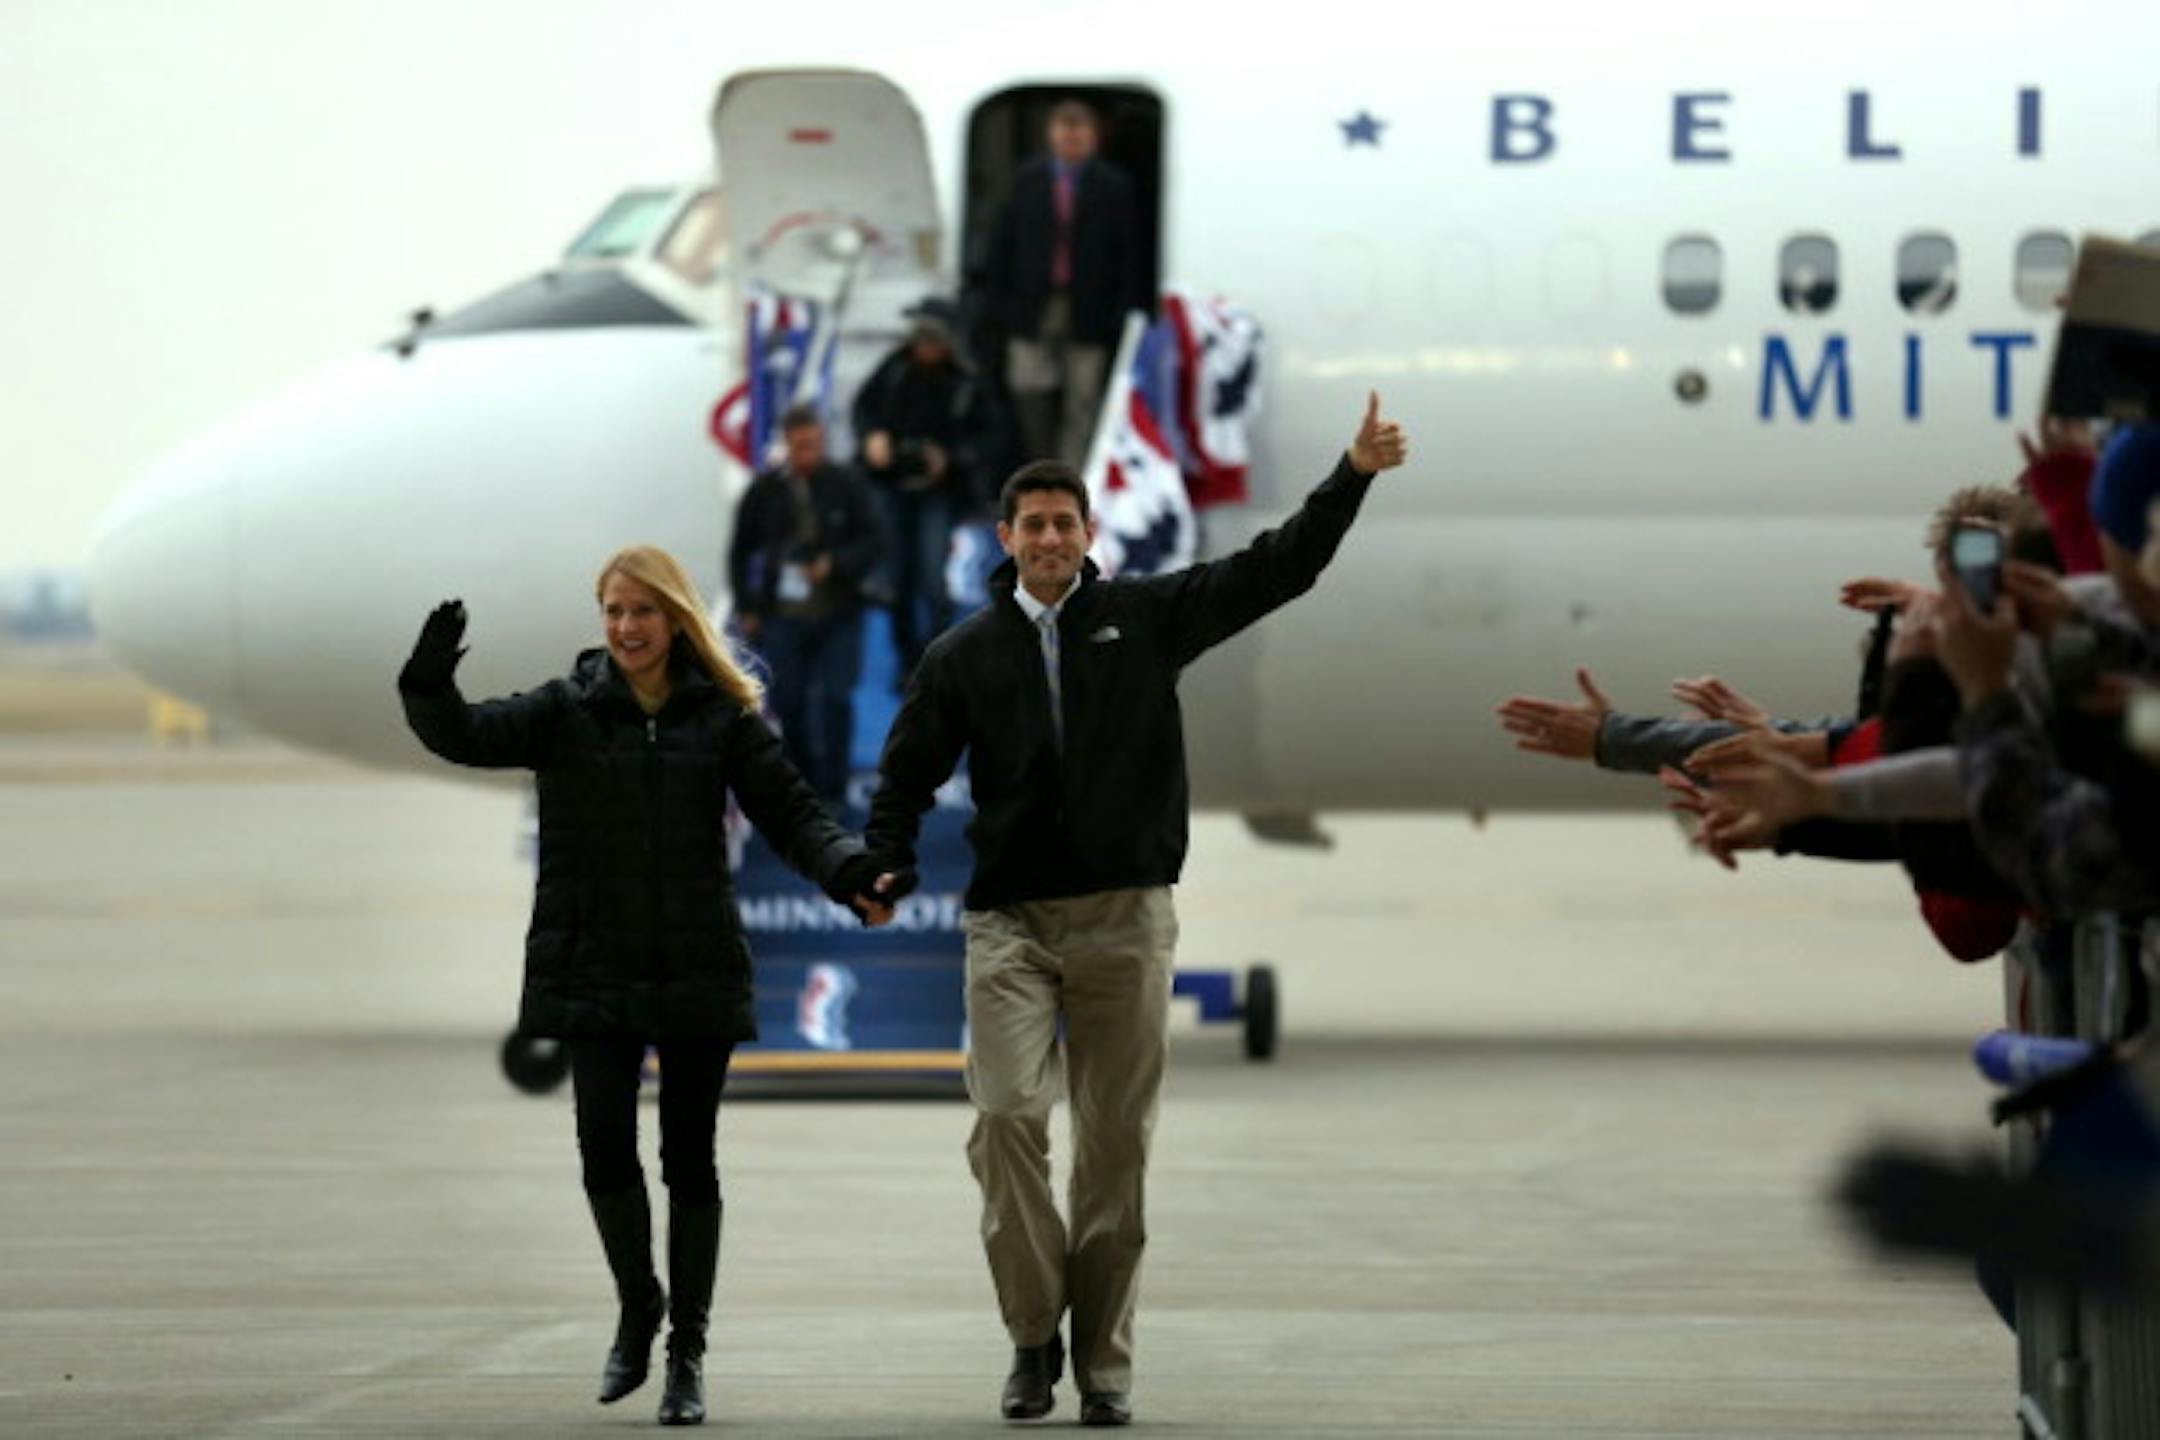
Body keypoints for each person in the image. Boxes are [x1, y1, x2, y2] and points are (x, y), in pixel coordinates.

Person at [863, 394, 1411, 1427]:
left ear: (1088, 535)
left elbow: (1277, 567)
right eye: (1034, 525)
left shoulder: (1148, 620)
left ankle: (1103, 1365)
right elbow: (902, 779)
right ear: (1007, 540)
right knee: (1007, 1118)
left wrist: (1353, 474)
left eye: (1066, 522)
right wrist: (880, 866)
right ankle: (1034, 1336)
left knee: (1115, 1149)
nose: (1051, 539)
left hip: (1125, 920)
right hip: (1010, 927)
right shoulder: (966, 657)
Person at [397, 546, 894, 1427]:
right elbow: (463, 734)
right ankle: (638, 1303)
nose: (627, 628)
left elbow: (791, 811)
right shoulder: (564, 711)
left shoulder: (723, 719)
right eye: (613, 612)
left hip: (694, 964)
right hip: (596, 963)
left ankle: (688, 1354)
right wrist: (428, 681)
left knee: (689, 1162)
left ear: (675, 620)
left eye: (643, 612)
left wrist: (851, 872)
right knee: (602, 1149)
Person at [728, 404, 886, 806]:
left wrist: (835, 564)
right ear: (786, 444)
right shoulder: (763, 491)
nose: (808, 455)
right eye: (800, 447)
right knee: (790, 700)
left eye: (814, 446)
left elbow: (875, 540)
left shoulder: (846, 483)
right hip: (781, 613)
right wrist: (747, 606)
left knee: (836, 697)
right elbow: (740, 549)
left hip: (839, 609)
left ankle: (834, 787)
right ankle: (801, 785)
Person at [983, 97, 1145, 467]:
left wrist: (1126, 307)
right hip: (1031, 302)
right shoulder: (1027, 179)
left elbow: (1129, 251)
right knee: (1027, 386)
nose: (1071, 139)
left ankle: (1071, 473)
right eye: (1064, 130)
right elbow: (1003, 243)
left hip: (1090, 303)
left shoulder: (1114, 185)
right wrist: (999, 302)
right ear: (1051, 135)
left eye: (1079, 131)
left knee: (1083, 395)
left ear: (1094, 137)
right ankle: (1042, 462)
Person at [853, 310, 996, 678]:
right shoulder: (894, 371)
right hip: (893, 486)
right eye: (920, 342)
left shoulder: (966, 383)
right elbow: (863, 409)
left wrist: (948, 458)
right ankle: (905, 660)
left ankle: (935, 660)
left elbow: (990, 438)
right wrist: (873, 436)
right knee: (897, 580)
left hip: (940, 492)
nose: (924, 349)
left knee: (934, 580)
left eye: (932, 342)